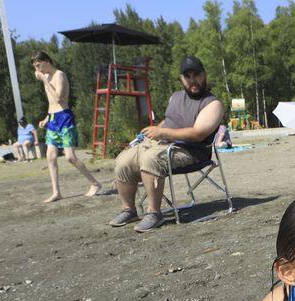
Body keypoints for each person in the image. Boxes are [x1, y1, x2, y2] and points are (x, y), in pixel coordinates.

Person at [109, 56, 224, 233]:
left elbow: (198, 134)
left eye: (197, 75)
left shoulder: (213, 103)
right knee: (123, 159)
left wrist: (162, 133)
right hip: (161, 143)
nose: (193, 80)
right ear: (181, 79)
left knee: (150, 159)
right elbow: (170, 121)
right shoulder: (175, 97)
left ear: (204, 75)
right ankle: (129, 209)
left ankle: (154, 213)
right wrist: (154, 130)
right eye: (188, 76)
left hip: (190, 151)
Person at [30, 51, 102, 202]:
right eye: (35, 67)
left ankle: (94, 183)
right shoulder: (48, 77)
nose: (37, 70)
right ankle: (56, 192)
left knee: (70, 157)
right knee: (50, 156)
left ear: (46, 61)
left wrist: (43, 79)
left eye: (38, 65)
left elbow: (58, 98)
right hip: (53, 119)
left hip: (65, 118)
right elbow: (51, 103)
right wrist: (46, 118)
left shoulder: (59, 75)